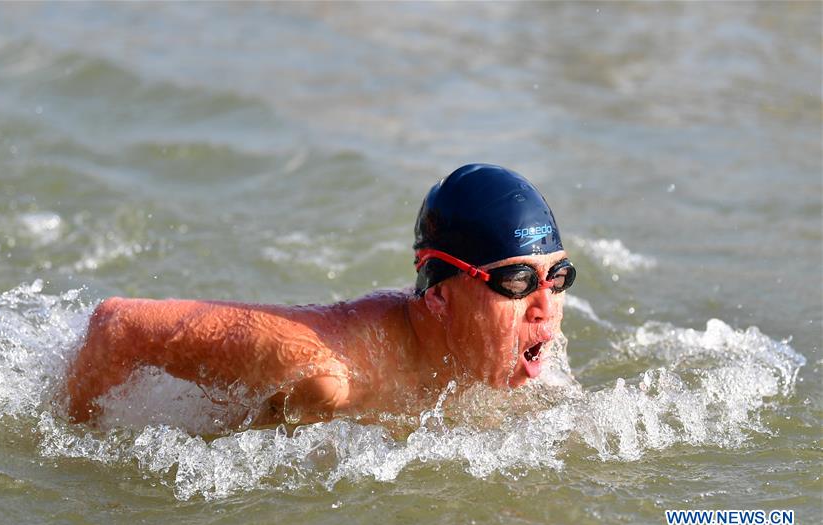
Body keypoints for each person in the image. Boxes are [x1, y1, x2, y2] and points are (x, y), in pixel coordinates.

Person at [65, 164, 576, 427]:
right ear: (439, 295)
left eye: (557, 277)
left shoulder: (514, 350)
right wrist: (77, 455)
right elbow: (117, 325)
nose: (544, 307)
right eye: (516, 283)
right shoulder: (325, 369)